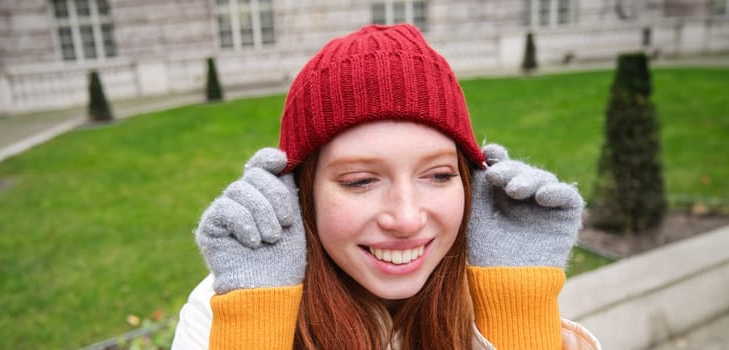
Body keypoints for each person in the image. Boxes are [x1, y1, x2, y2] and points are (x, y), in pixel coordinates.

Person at [172, 24, 601, 349]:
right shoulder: (229, 302)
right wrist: (255, 321)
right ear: (299, 194)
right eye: (360, 181)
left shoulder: (497, 277)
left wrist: (519, 300)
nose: (407, 218)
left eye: (438, 175)